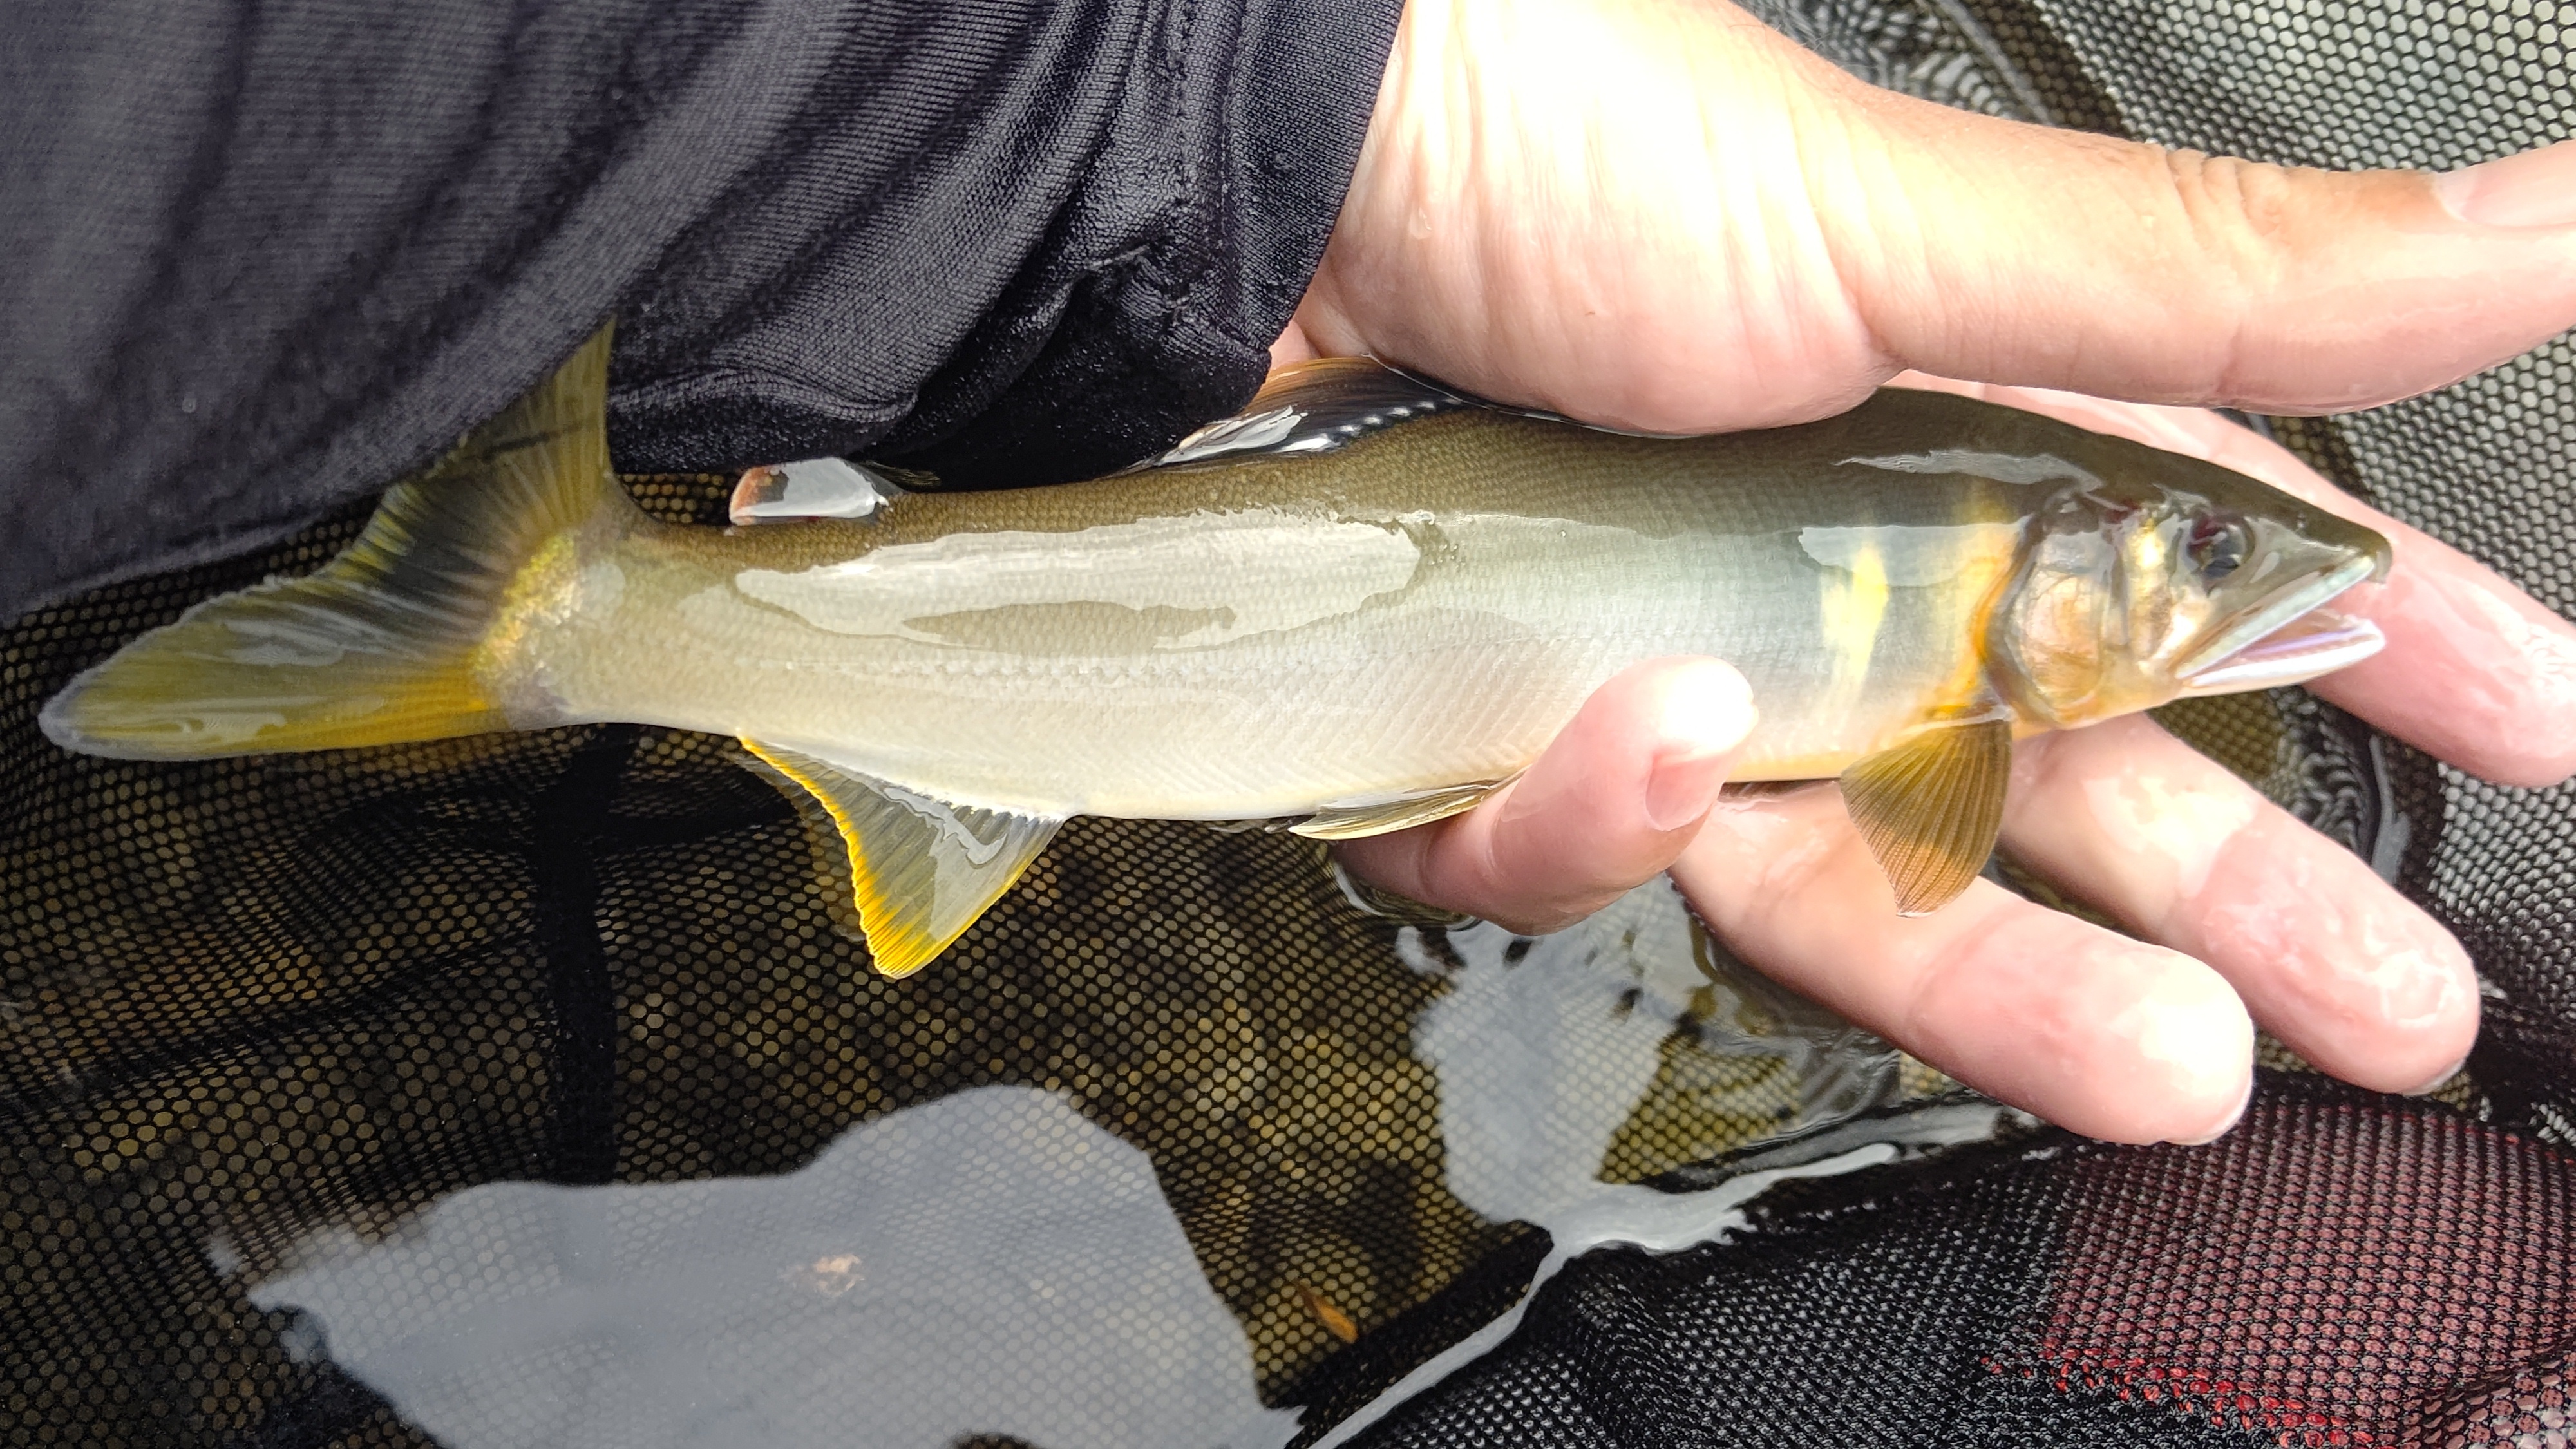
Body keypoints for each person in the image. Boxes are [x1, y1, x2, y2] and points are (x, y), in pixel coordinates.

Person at [9, 0, 2573, 1148]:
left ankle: (538, 591)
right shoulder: (1922, 747)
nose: (2243, 595)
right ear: (2081, 559)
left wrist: (1256, 103)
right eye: (2203, 569)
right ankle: (537, 602)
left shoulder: (1959, 629)